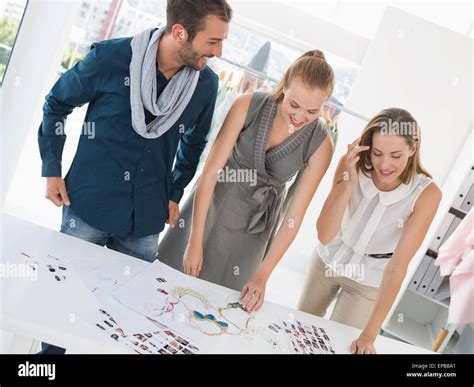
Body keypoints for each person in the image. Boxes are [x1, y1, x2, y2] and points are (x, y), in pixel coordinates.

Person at [36, 0, 232, 354]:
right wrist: (51, 169)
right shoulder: (112, 58)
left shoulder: (205, 85)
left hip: (145, 219)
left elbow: (194, 143)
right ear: (180, 33)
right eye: (213, 41)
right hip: (89, 205)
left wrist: (174, 192)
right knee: (65, 298)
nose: (219, 52)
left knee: (130, 315)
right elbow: (57, 103)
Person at [159, 50, 335, 312]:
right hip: (208, 211)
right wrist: (194, 241)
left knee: (218, 311)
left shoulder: (322, 144)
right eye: (294, 105)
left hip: (253, 233)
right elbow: (209, 174)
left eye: (312, 111)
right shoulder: (247, 105)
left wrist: (263, 275)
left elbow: (293, 217)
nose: (299, 118)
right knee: (165, 292)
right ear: (285, 86)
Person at [298, 108, 442, 354]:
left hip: (369, 281)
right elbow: (324, 234)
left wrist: (370, 334)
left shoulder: (426, 194)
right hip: (328, 261)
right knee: (300, 331)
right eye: (377, 153)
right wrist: (348, 184)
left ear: (413, 149)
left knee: (335, 346)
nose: (384, 165)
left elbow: (397, 267)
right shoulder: (351, 165)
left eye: (396, 155)